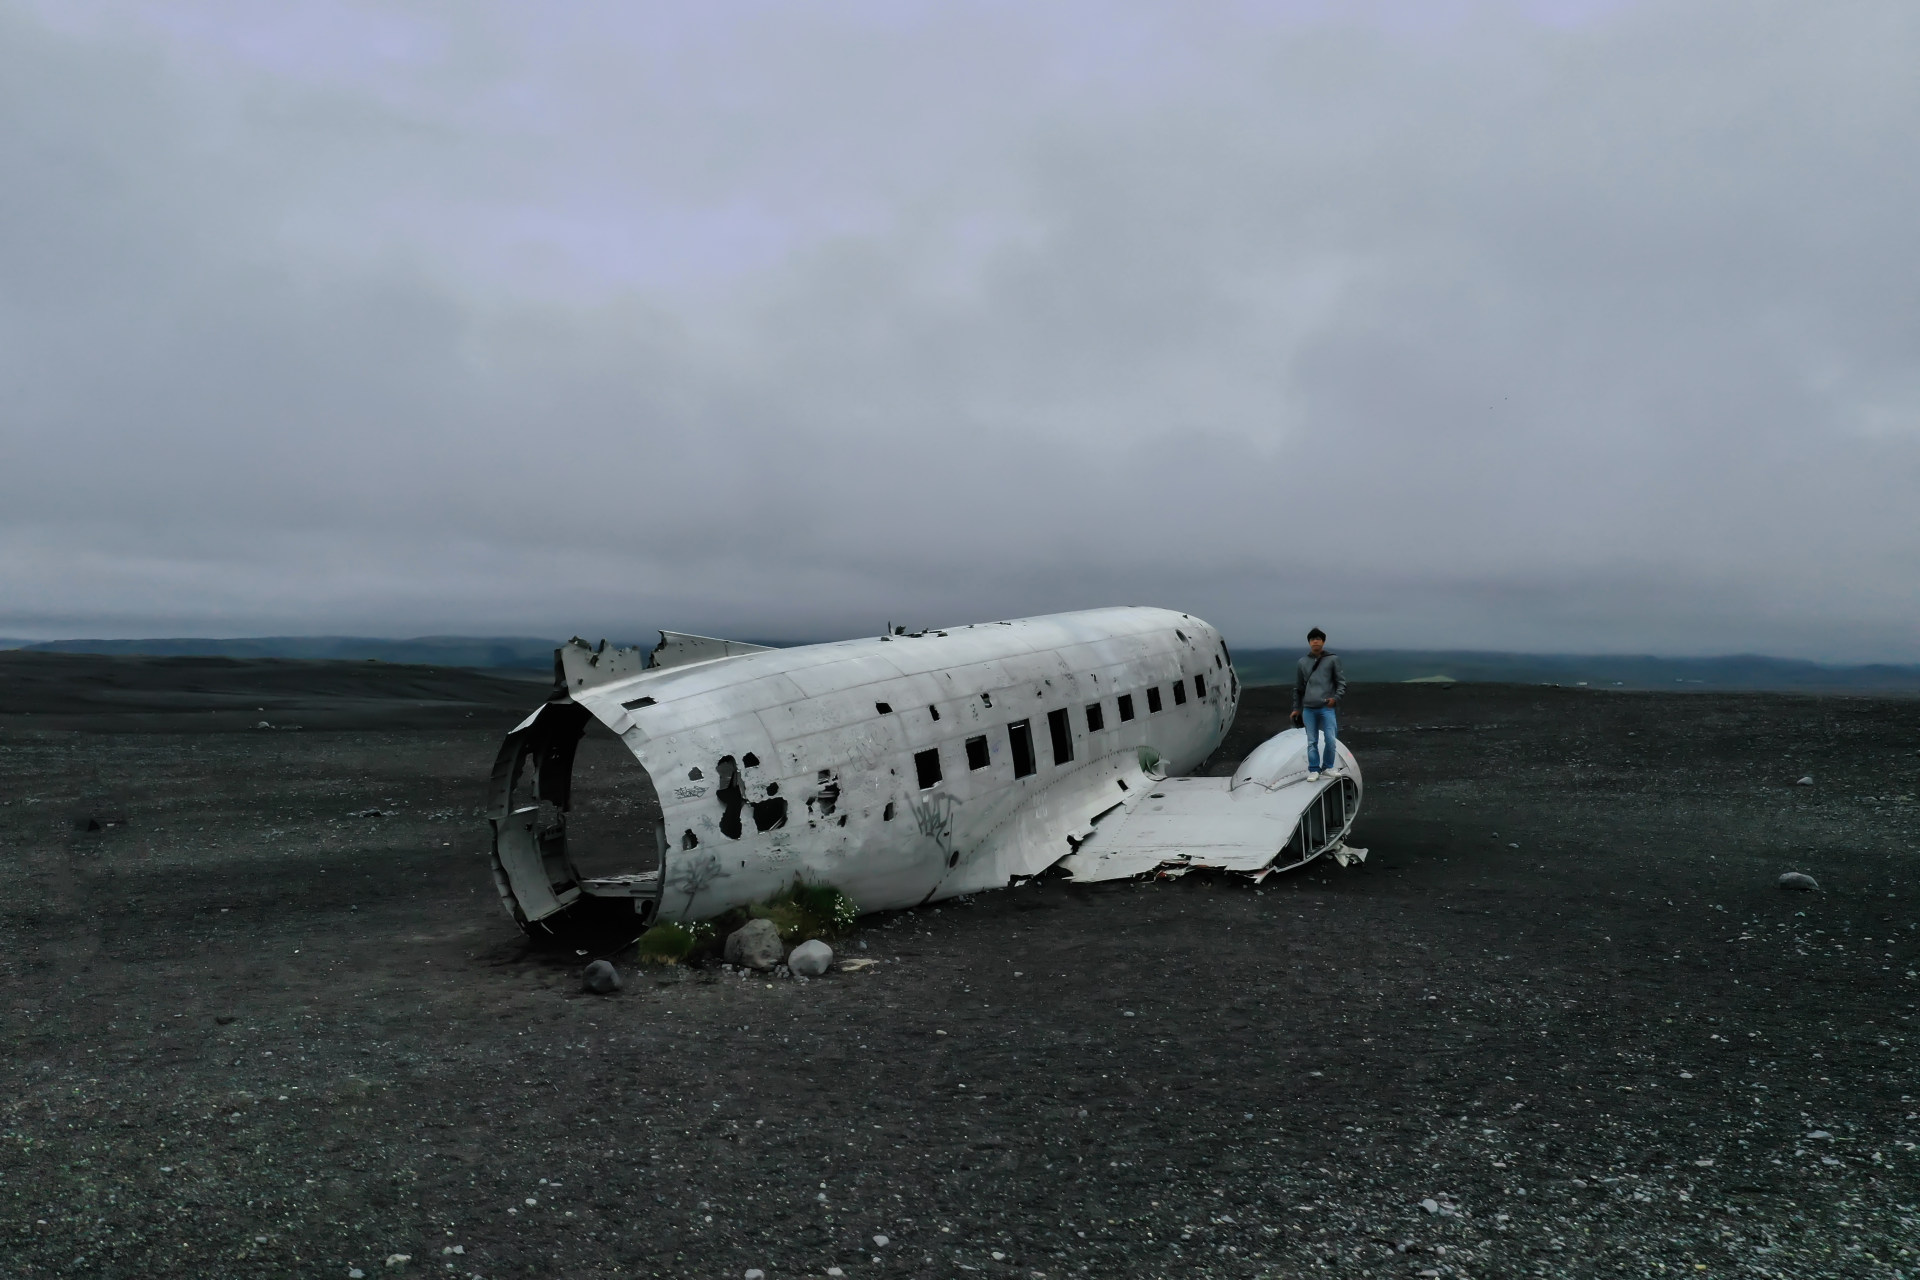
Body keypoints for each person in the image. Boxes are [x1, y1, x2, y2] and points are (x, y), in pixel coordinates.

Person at [1290, 627, 1346, 781]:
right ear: (1309, 642)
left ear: (1323, 641)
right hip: (1309, 708)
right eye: (1312, 639)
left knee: (1330, 739)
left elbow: (1341, 682)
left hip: (1326, 707)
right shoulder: (1302, 662)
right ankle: (1314, 769)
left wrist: (1335, 698)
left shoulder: (1332, 659)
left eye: (1318, 639)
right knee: (1311, 741)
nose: (1315, 641)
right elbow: (1299, 687)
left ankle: (1328, 767)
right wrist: (1296, 708)